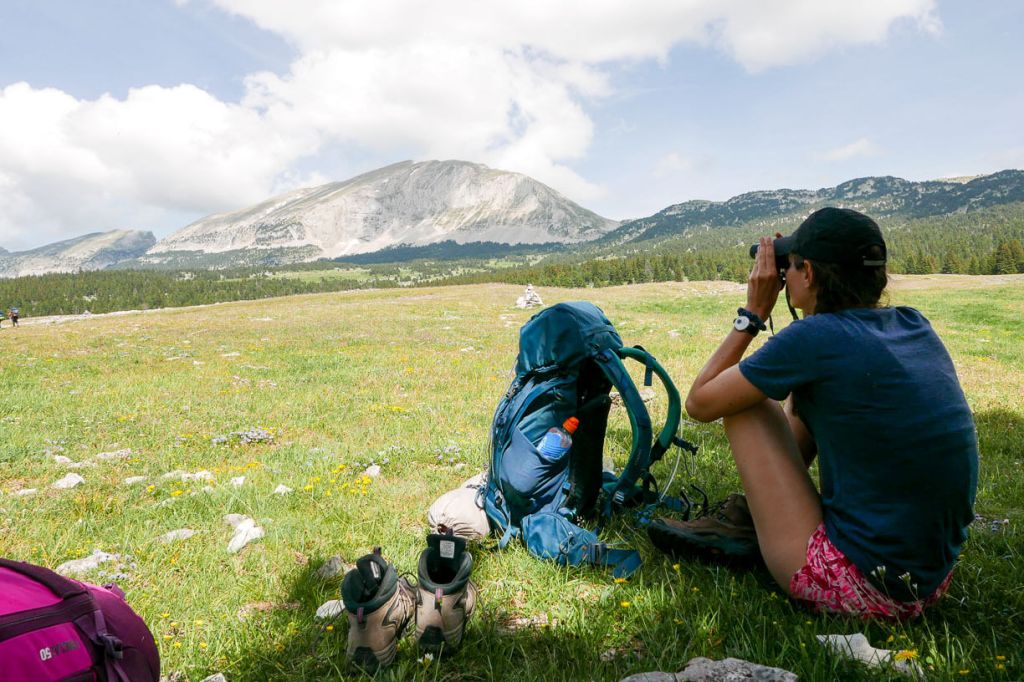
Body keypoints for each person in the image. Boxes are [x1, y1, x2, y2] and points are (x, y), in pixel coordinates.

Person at [648, 207, 978, 620]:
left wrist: (752, 316)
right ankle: (754, 519)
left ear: (811, 274)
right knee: (800, 393)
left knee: (746, 408)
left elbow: (701, 403)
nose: (784, 274)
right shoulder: (912, 323)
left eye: (792, 265)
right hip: (926, 583)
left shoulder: (815, 338)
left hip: (862, 588)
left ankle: (751, 526)